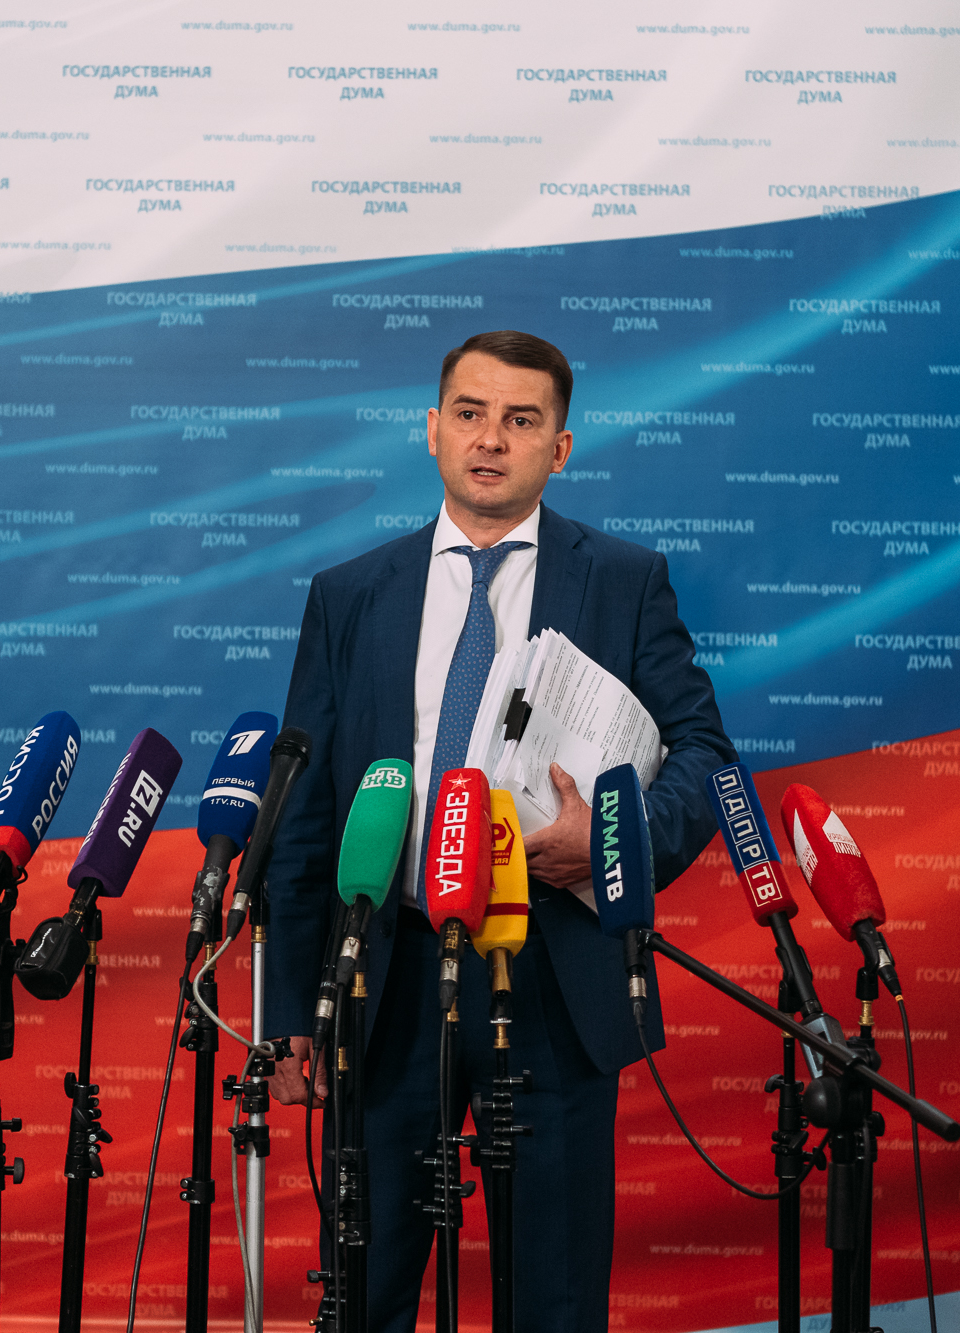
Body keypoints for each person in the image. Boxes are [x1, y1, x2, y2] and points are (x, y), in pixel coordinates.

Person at [261, 330, 735, 1333]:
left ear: (558, 448)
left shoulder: (624, 580)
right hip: (383, 984)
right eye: (470, 414)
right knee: (363, 1294)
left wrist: (608, 845)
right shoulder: (350, 595)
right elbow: (303, 811)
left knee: (552, 1300)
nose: (490, 439)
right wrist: (293, 1006)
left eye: (521, 421)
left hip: (550, 977)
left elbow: (704, 756)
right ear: (431, 429)